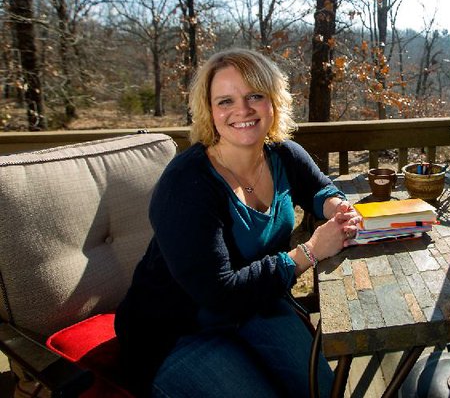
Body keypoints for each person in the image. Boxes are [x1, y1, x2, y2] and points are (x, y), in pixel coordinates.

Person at [115, 48, 360, 397]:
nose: (242, 110)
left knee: (323, 389)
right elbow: (219, 293)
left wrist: (337, 207)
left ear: (273, 102)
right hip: (177, 331)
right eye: (225, 101)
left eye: (254, 96)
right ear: (209, 111)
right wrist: (309, 252)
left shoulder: (284, 155)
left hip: (255, 307)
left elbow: (319, 188)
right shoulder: (186, 185)